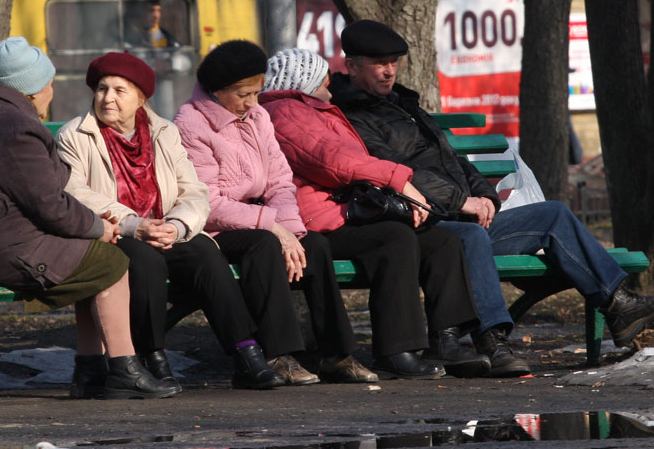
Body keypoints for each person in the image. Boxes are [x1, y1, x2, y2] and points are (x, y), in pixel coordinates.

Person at [328, 19, 654, 375]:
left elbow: (453, 161)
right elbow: (399, 172)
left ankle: (619, 304)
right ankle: (491, 341)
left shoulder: (404, 105)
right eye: (379, 63)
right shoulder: (351, 117)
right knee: (470, 236)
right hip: (423, 226)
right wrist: (461, 202)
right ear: (352, 65)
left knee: (553, 214)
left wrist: (486, 197)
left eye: (393, 62)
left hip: (463, 215)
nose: (389, 71)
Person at [175, 39, 465, 381]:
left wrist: (291, 231)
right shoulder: (192, 124)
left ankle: (336, 354)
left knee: (313, 245)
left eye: (255, 92)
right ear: (217, 90)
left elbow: (280, 182)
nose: (252, 103)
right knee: (265, 245)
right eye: (243, 95)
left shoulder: (257, 116)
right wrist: (275, 228)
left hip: (264, 219)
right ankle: (280, 355)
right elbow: (208, 203)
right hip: (218, 227)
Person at [0, 37, 178, 400]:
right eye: (50, 83)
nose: (51, 92)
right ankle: (124, 369)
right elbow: (49, 204)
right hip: (1, 248)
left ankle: (90, 371)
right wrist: (99, 228)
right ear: (34, 89)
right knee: (111, 261)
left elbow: (49, 191)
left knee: (88, 259)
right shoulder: (16, 128)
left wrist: (94, 227)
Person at [55, 51, 284, 391]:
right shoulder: (75, 135)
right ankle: (152, 357)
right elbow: (76, 194)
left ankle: (245, 354)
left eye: (119, 91)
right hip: (116, 233)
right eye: (102, 89)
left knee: (206, 254)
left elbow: (194, 191)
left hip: (166, 229)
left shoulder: (164, 132)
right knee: (144, 259)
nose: (107, 98)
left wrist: (177, 226)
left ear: (141, 99)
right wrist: (134, 224)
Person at [260, 48, 490, 378]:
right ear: (305, 82)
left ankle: (446, 341)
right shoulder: (285, 112)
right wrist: (401, 182)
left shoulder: (311, 110)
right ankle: (396, 351)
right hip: (316, 220)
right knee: (393, 239)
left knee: (441, 241)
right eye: (324, 83)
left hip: (343, 211)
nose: (330, 91)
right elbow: (332, 161)